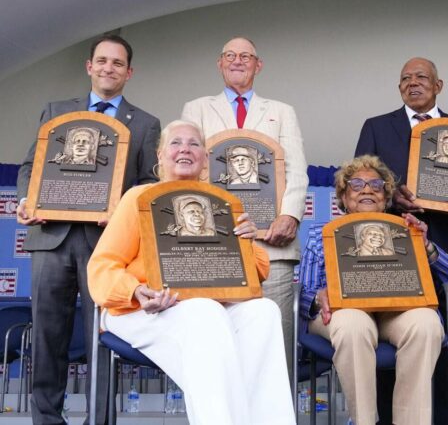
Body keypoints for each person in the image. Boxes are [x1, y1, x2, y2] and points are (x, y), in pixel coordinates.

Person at [88, 120, 295, 425]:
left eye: (194, 143)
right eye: (176, 142)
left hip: (207, 309)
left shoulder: (222, 203)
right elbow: (102, 266)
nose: (185, 148)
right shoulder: (138, 198)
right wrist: (134, 291)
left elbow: (257, 272)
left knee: (263, 311)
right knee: (203, 310)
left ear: (205, 158)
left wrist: (247, 242)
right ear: (160, 155)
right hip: (142, 309)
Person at [15, 34, 161, 425]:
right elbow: (32, 168)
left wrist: (120, 209)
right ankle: (46, 420)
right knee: (47, 336)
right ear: (89, 67)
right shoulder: (56, 111)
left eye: (117, 63)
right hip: (52, 237)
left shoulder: (146, 124)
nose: (108, 68)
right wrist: (29, 200)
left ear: (129, 72)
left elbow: (148, 183)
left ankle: (98, 420)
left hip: (108, 245)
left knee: (101, 336)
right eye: (102, 61)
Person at [355, 57, 448, 424]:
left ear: (438, 85)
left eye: (421, 78)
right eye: (405, 79)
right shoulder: (377, 127)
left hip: (444, 245)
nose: (412, 83)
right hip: (388, 248)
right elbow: (359, 185)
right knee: (391, 329)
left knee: (446, 331)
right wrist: (390, 195)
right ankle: (387, 417)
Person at [299, 155, 448, 425]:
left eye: (376, 185)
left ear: (386, 197)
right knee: (353, 325)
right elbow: (304, 292)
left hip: (395, 312)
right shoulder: (322, 233)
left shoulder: (407, 231)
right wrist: (317, 297)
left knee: (426, 323)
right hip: (344, 311)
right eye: (356, 184)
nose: (367, 189)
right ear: (342, 195)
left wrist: (426, 246)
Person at [181, 36, 308, 382]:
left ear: (258, 65)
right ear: (220, 63)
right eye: (230, 56)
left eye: (246, 56)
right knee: (217, 345)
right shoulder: (196, 109)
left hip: (271, 245)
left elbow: (296, 169)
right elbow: (187, 168)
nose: (238, 61)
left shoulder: (282, 112)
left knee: (274, 343)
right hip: (213, 248)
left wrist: (290, 215)